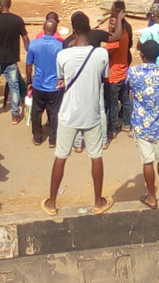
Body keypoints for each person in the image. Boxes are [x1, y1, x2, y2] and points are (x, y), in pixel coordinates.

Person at [42, 11, 113, 216]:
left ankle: (52, 203)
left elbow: (62, 77)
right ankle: (98, 201)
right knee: (96, 156)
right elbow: (104, 78)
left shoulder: (63, 55)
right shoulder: (101, 54)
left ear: (73, 31)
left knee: (61, 156)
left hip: (69, 114)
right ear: (89, 29)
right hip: (91, 114)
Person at [127, 40, 159, 209]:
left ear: (141, 54)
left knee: (147, 161)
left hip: (141, 125)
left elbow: (129, 90)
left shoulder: (133, 72)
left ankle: (151, 197)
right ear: (158, 55)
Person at [26, 19, 64, 147]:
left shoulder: (33, 45)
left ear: (43, 28)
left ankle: (37, 137)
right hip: (55, 86)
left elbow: (28, 65)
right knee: (54, 113)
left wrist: (29, 81)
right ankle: (53, 140)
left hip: (38, 85)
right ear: (55, 30)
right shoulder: (60, 46)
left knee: (36, 112)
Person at [102, 1, 133, 141]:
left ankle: (112, 129)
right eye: (109, 23)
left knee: (113, 104)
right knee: (125, 100)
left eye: (112, 24)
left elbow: (104, 53)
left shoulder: (115, 41)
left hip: (114, 76)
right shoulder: (125, 33)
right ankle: (126, 124)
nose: (110, 26)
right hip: (124, 73)